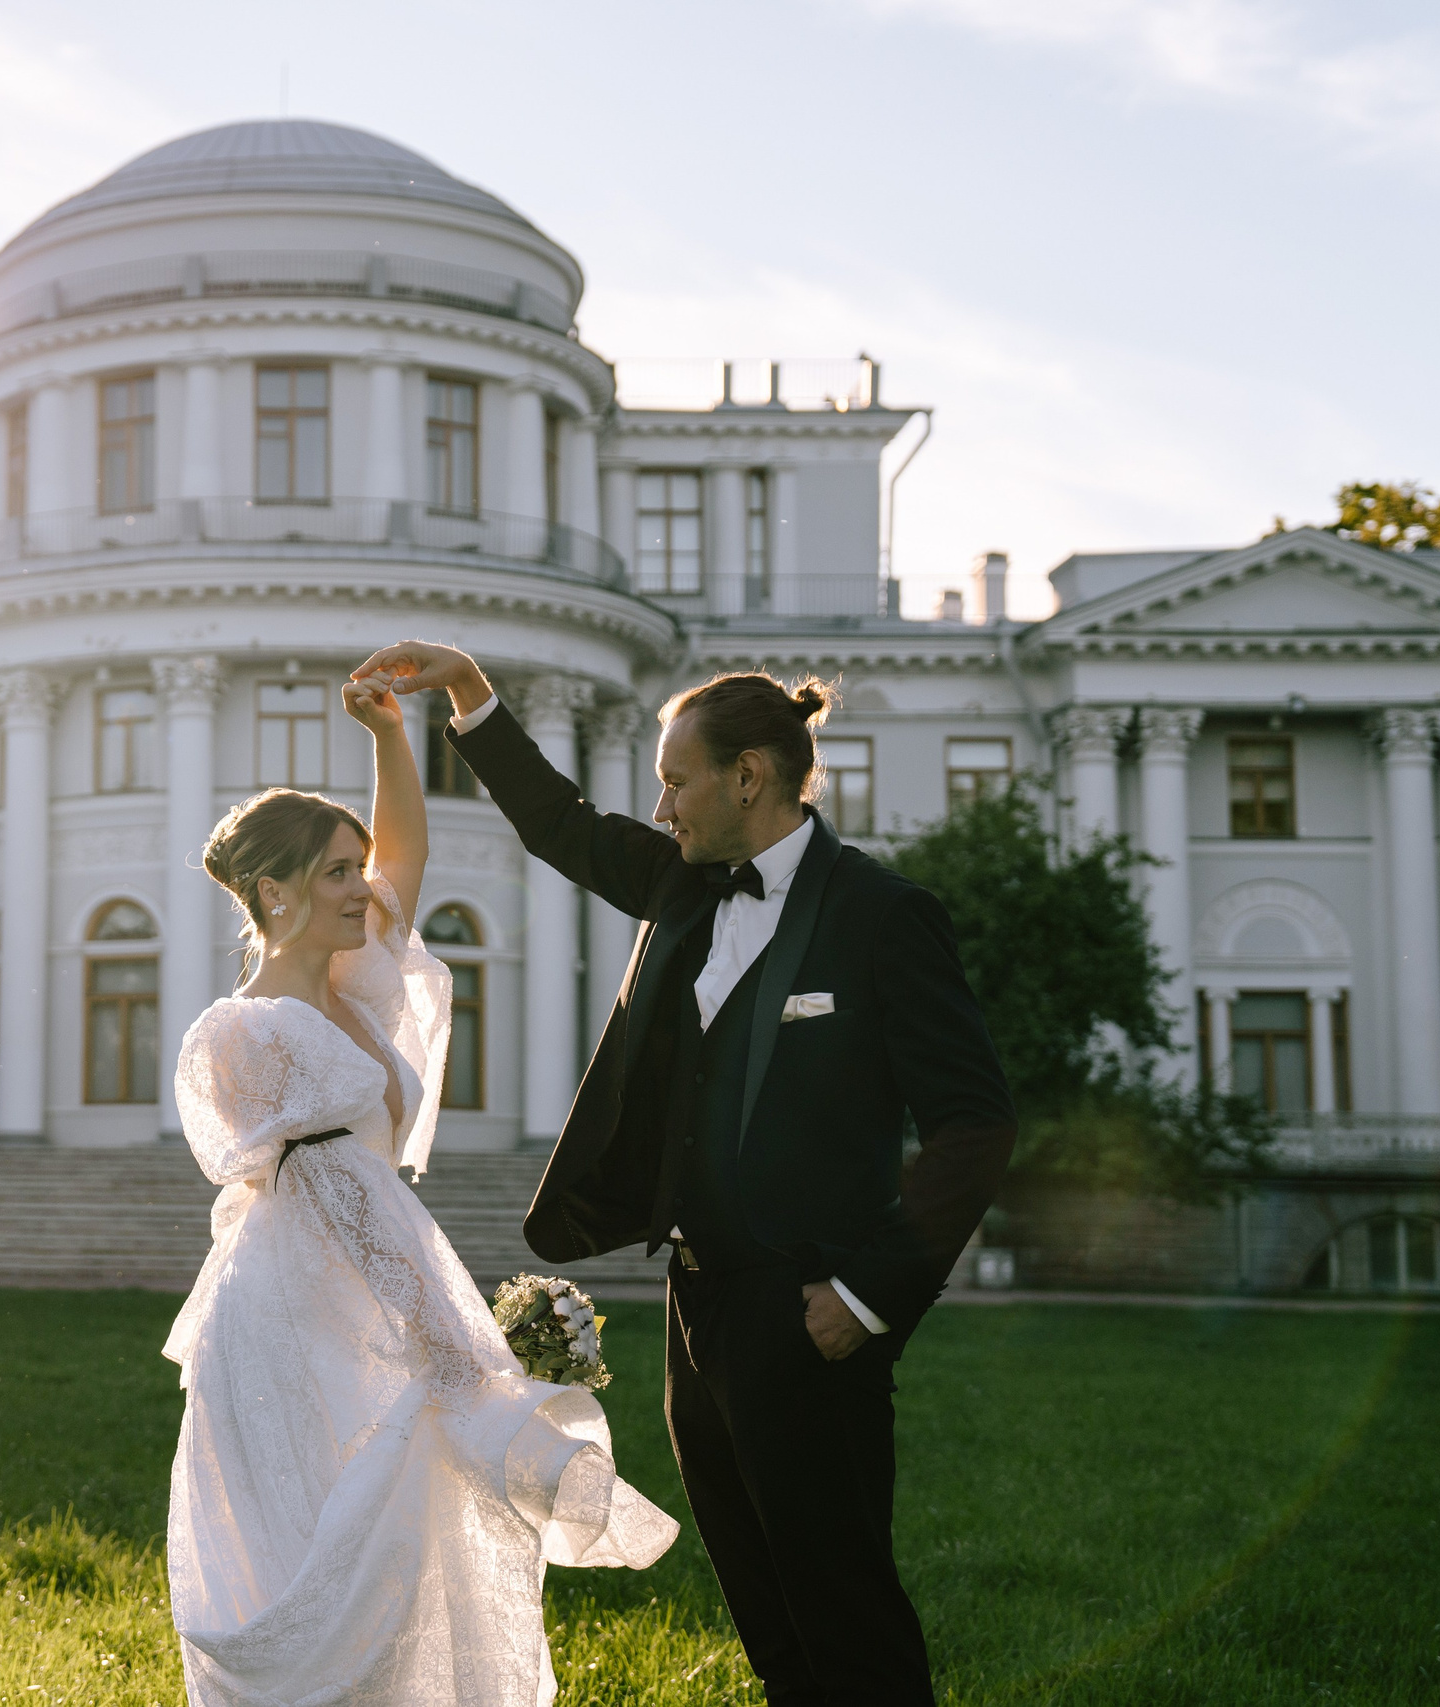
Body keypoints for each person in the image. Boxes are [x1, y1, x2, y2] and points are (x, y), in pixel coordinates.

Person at [350, 641, 1017, 1707]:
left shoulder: (883, 918)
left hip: (811, 1313)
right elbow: (560, 821)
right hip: (695, 1307)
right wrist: (471, 697)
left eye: (674, 778)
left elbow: (975, 1125)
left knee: (842, 1607)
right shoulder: (678, 884)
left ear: (746, 777)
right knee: (763, 1605)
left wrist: (865, 1295)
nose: (659, 803)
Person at [163, 671, 678, 1707]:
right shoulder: (248, 1031)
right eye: (338, 874)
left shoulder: (350, 985)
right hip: (298, 1315)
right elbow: (332, 1198)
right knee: (341, 1545)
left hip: (358, 1287)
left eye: (357, 870)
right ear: (274, 893)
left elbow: (406, 853)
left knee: (405, 1546)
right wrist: (446, 1341)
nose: (366, 888)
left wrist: (392, 736)